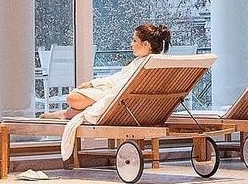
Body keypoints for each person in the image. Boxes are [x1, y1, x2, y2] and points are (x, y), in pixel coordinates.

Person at [40, 23, 171, 120]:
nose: (131, 44)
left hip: (121, 102)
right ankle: (61, 114)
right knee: (76, 98)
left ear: (146, 44)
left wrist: (99, 96)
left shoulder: (146, 64)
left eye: (134, 40)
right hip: (132, 103)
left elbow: (120, 85)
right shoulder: (152, 62)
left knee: (72, 98)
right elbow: (119, 78)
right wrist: (92, 84)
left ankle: (61, 114)